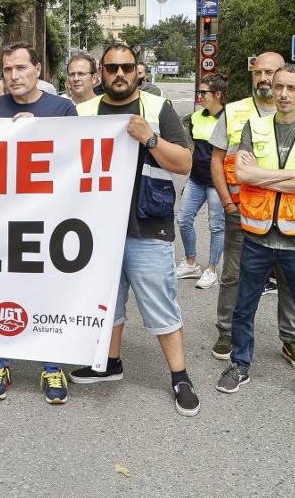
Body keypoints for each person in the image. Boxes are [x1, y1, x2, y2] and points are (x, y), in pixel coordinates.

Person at [69, 44, 201, 417]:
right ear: (101, 73)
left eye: (126, 67)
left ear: (138, 71)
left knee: (159, 302)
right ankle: (109, 363)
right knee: (107, 301)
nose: (120, 73)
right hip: (96, 227)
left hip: (147, 225)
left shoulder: (158, 110)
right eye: (112, 68)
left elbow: (185, 163)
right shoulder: (82, 111)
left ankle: (180, 376)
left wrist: (151, 138)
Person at [217, 64, 295, 415]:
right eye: (278, 86)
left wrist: (263, 176)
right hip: (257, 235)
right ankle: (239, 365)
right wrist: (291, 176)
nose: (282, 94)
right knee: (243, 308)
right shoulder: (254, 126)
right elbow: (241, 173)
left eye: (291, 88)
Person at [0, 43, 78, 405]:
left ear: (38, 69)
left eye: (21, 68)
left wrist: (39, 133)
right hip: (3, 218)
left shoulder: (62, 109)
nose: (13, 76)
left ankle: (52, 365)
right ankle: (0, 361)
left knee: (46, 292)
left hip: (48, 219)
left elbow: (75, 159)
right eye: (7, 70)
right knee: (3, 292)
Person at [208, 51, 295, 363]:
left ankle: (291, 339)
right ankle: (227, 331)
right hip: (242, 212)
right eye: (258, 72)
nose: (263, 78)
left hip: (287, 213)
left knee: (290, 278)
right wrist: (226, 202)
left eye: (269, 72)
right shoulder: (233, 112)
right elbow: (217, 162)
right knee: (234, 274)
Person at [177, 74, 227, 289]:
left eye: (202, 93)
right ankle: (191, 263)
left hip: (217, 182)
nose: (199, 96)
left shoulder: (230, 118)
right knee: (183, 219)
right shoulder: (197, 117)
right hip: (196, 179)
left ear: (217, 94)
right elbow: (194, 148)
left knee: (216, 226)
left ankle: (212, 270)